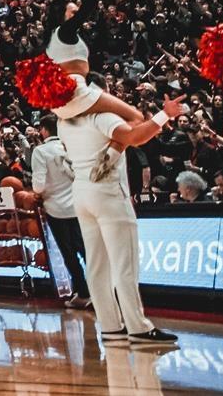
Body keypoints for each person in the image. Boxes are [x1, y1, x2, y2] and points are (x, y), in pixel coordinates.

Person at [59, 92, 184, 348]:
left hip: (81, 191)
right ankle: (138, 327)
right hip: (107, 193)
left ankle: (110, 326)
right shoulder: (102, 117)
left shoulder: (65, 123)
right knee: (124, 265)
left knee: (96, 264)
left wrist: (118, 144)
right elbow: (136, 137)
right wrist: (165, 115)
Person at [28, 124, 88, 308]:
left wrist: (36, 193)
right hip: (79, 204)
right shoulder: (70, 146)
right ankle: (104, 289)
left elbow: (38, 185)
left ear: (44, 131)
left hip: (56, 208)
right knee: (86, 249)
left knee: (68, 253)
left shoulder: (40, 151)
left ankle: (83, 292)